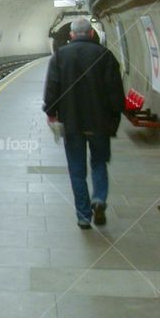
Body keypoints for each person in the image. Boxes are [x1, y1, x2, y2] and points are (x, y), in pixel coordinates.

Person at [43, 18, 125, 229]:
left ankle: (83, 215)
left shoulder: (60, 56)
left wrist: (51, 113)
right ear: (91, 34)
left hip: (72, 123)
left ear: (71, 35)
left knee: (77, 169)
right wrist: (114, 117)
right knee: (98, 163)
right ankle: (99, 199)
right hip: (99, 123)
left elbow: (52, 88)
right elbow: (116, 93)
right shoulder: (105, 56)